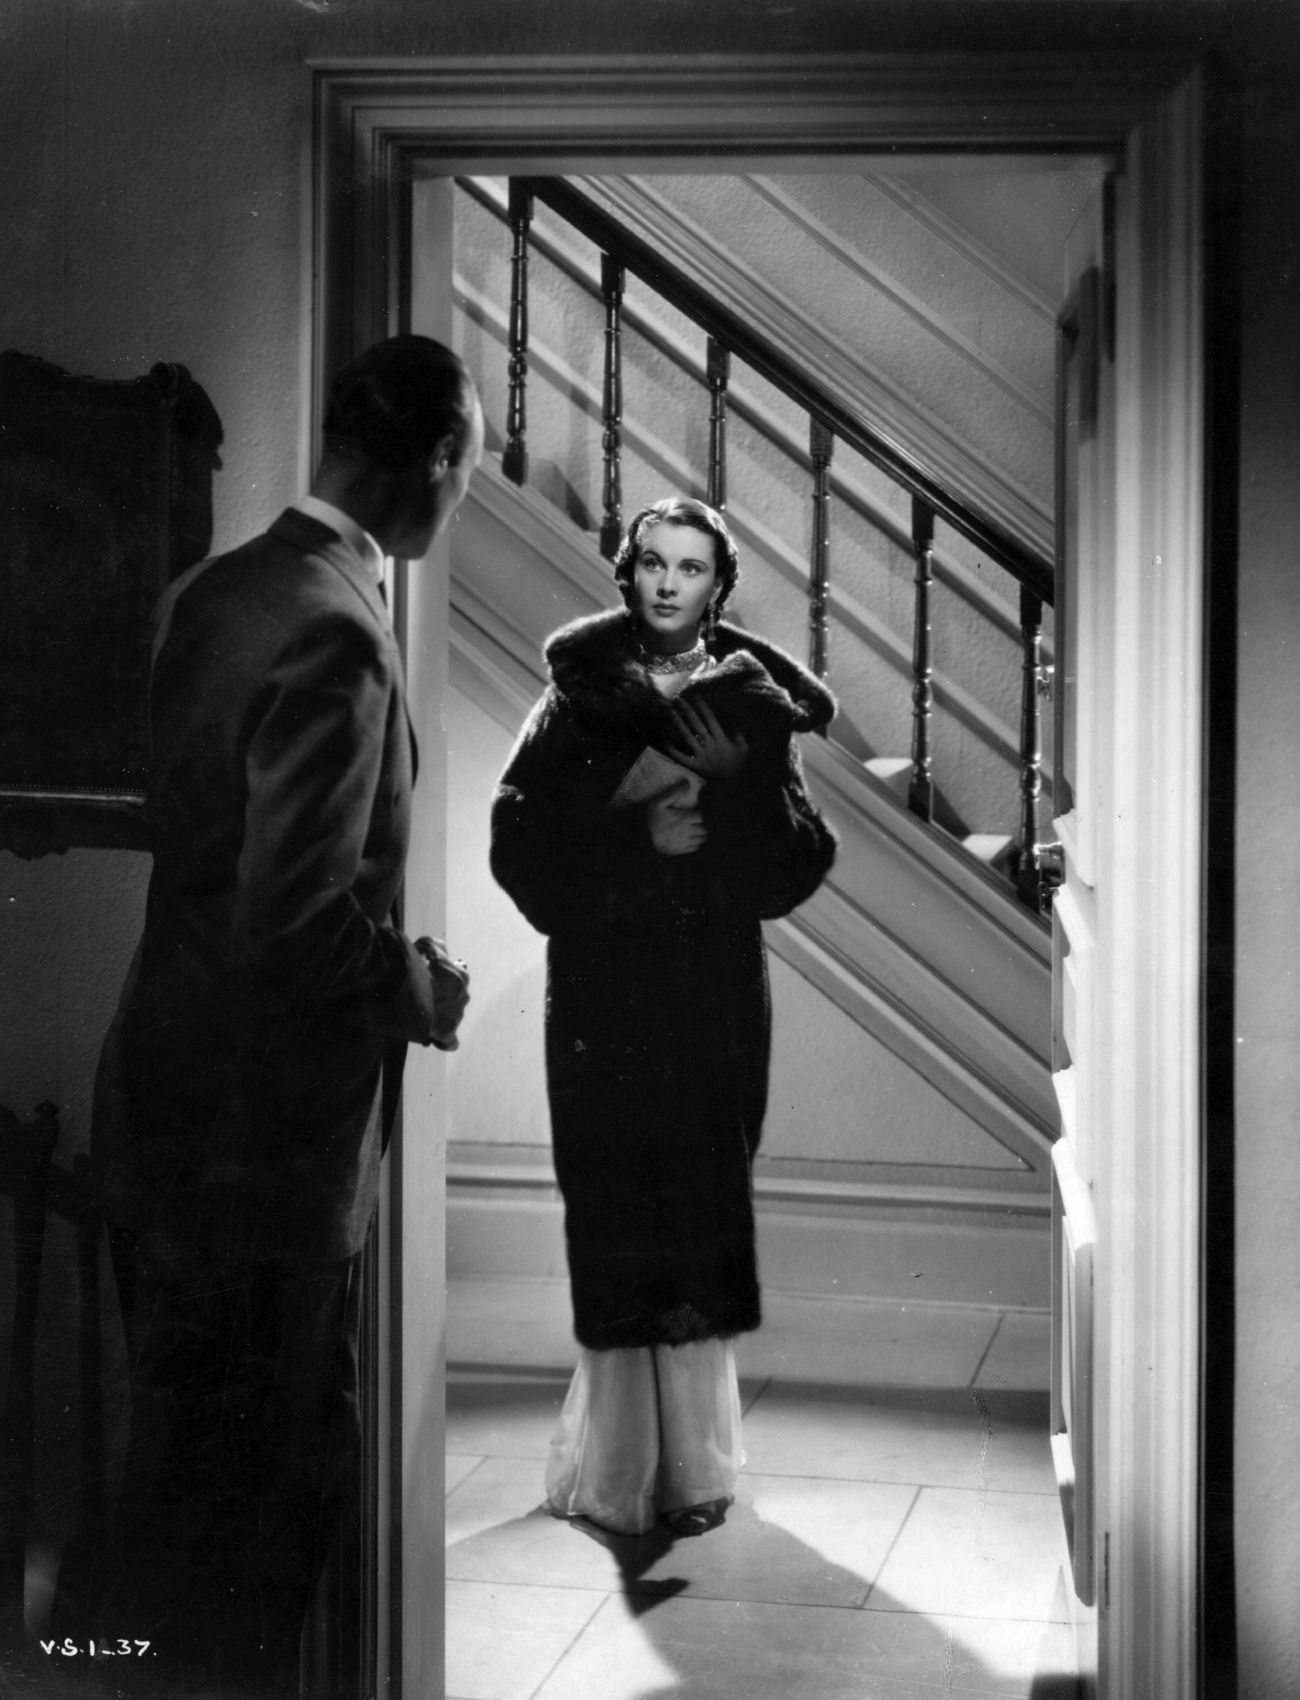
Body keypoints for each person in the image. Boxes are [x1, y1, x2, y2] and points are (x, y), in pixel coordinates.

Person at [86, 335, 482, 1695]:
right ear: (439, 460)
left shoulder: (220, 589)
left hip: (162, 1108)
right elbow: (295, 917)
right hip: (261, 1157)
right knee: (265, 1526)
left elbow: (221, 869)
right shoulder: (338, 627)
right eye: (468, 467)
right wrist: (417, 988)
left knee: (176, 1501)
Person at [490, 496, 836, 1539]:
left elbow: (795, 866)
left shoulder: (749, 700)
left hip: (710, 992)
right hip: (604, 989)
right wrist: (637, 839)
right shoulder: (577, 696)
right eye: (652, 562)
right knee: (617, 1204)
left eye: (690, 567)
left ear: (719, 586)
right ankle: (616, 1469)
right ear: (626, 571)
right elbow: (519, 841)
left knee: (695, 1206)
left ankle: (694, 1470)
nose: (668, 583)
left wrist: (739, 789)